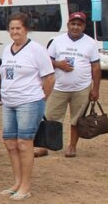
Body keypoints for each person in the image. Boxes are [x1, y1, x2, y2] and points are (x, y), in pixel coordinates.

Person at [0, 13, 55, 200]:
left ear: (26, 29)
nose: (15, 32)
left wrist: (41, 98)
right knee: (10, 143)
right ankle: (16, 182)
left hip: (29, 102)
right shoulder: (7, 49)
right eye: (12, 28)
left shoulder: (36, 50)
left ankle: (25, 186)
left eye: (18, 28)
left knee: (24, 143)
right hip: (9, 102)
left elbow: (49, 77)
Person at [43, 12, 101, 158]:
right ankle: (46, 146)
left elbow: (96, 67)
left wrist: (95, 89)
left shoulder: (91, 43)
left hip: (81, 88)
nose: (75, 27)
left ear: (84, 26)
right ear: (68, 25)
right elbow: (46, 61)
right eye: (73, 24)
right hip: (58, 87)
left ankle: (72, 146)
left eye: (79, 24)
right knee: (51, 117)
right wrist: (58, 64)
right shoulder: (57, 41)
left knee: (77, 118)